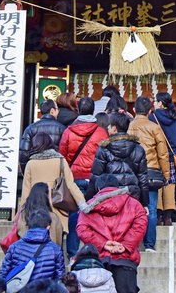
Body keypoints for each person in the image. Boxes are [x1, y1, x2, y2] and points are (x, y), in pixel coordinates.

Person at [76, 174, 148, 293]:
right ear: (117, 187)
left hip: (98, 261)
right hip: (125, 260)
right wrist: (125, 245)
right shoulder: (134, 203)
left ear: (98, 188)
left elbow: (82, 230)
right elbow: (140, 225)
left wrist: (103, 244)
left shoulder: (88, 206)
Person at [60, 97, 108, 256]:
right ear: (93, 111)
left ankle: (72, 253)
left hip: (74, 178)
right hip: (94, 178)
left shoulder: (68, 131)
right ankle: (94, 252)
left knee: (74, 213)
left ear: (78, 110)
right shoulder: (101, 132)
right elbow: (105, 157)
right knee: (94, 214)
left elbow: (63, 156)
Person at [21, 134, 84, 242]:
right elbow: (71, 185)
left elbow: (26, 191)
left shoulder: (31, 164)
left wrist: (21, 212)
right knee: (56, 244)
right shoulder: (60, 161)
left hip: (36, 211)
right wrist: (82, 203)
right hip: (57, 209)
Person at [127, 96, 169, 252]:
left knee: (131, 208)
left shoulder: (129, 126)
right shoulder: (155, 127)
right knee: (150, 208)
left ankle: (132, 243)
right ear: (150, 112)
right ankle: (149, 244)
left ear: (134, 110)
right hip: (151, 172)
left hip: (132, 172)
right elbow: (163, 154)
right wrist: (166, 175)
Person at [87, 112, 148, 206]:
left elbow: (96, 176)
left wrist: (89, 199)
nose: (107, 127)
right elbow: (143, 178)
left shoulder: (104, 149)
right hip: (132, 197)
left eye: (109, 125)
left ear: (114, 128)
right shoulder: (138, 149)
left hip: (110, 197)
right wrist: (144, 203)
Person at [0, 209, 65, 287]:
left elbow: (2, 275)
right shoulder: (55, 249)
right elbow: (60, 280)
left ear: (29, 226)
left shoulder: (14, 247)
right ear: (48, 227)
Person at [150, 92, 176, 225]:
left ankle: (158, 216)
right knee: (170, 185)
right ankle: (168, 217)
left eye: (155, 101)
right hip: (171, 157)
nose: (154, 103)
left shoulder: (152, 117)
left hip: (157, 156)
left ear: (160, 103)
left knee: (157, 184)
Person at [19, 100, 67, 170]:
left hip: (36, 169)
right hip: (55, 169)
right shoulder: (62, 128)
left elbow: (24, 153)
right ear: (52, 111)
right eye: (57, 109)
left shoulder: (30, 128)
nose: (58, 111)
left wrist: (26, 172)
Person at [15, 182, 65, 247]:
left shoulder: (22, 215)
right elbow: (58, 241)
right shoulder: (53, 217)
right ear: (46, 197)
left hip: (24, 251)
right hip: (48, 252)